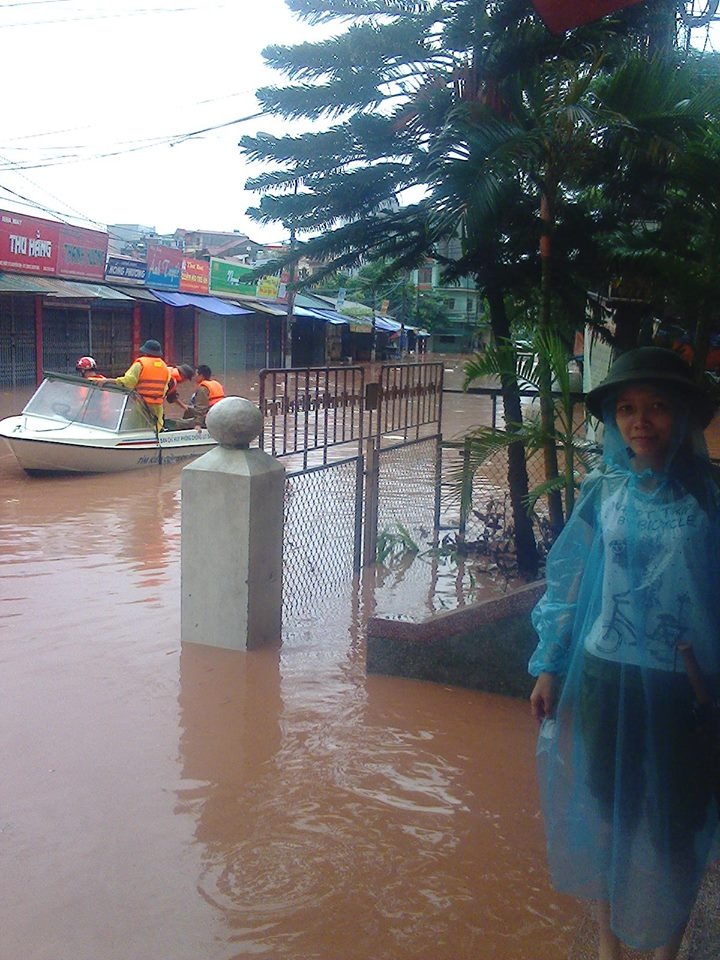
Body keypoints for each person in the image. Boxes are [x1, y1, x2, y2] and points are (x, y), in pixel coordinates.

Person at [529, 346, 720, 960]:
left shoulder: (709, 499)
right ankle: (608, 948)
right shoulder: (604, 490)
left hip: (685, 686)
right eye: (628, 408)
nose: (642, 421)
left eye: (659, 406)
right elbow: (571, 581)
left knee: (676, 827)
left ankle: (667, 951)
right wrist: (550, 665)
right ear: (614, 419)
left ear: (685, 416)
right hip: (605, 672)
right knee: (608, 817)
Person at [113, 339, 170, 430]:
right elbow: (165, 389)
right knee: (154, 429)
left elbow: (128, 381)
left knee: (134, 428)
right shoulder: (164, 367)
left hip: (141, 404)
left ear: (146, 352)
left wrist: (111, 381)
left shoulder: (141, 364)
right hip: (157, 405)